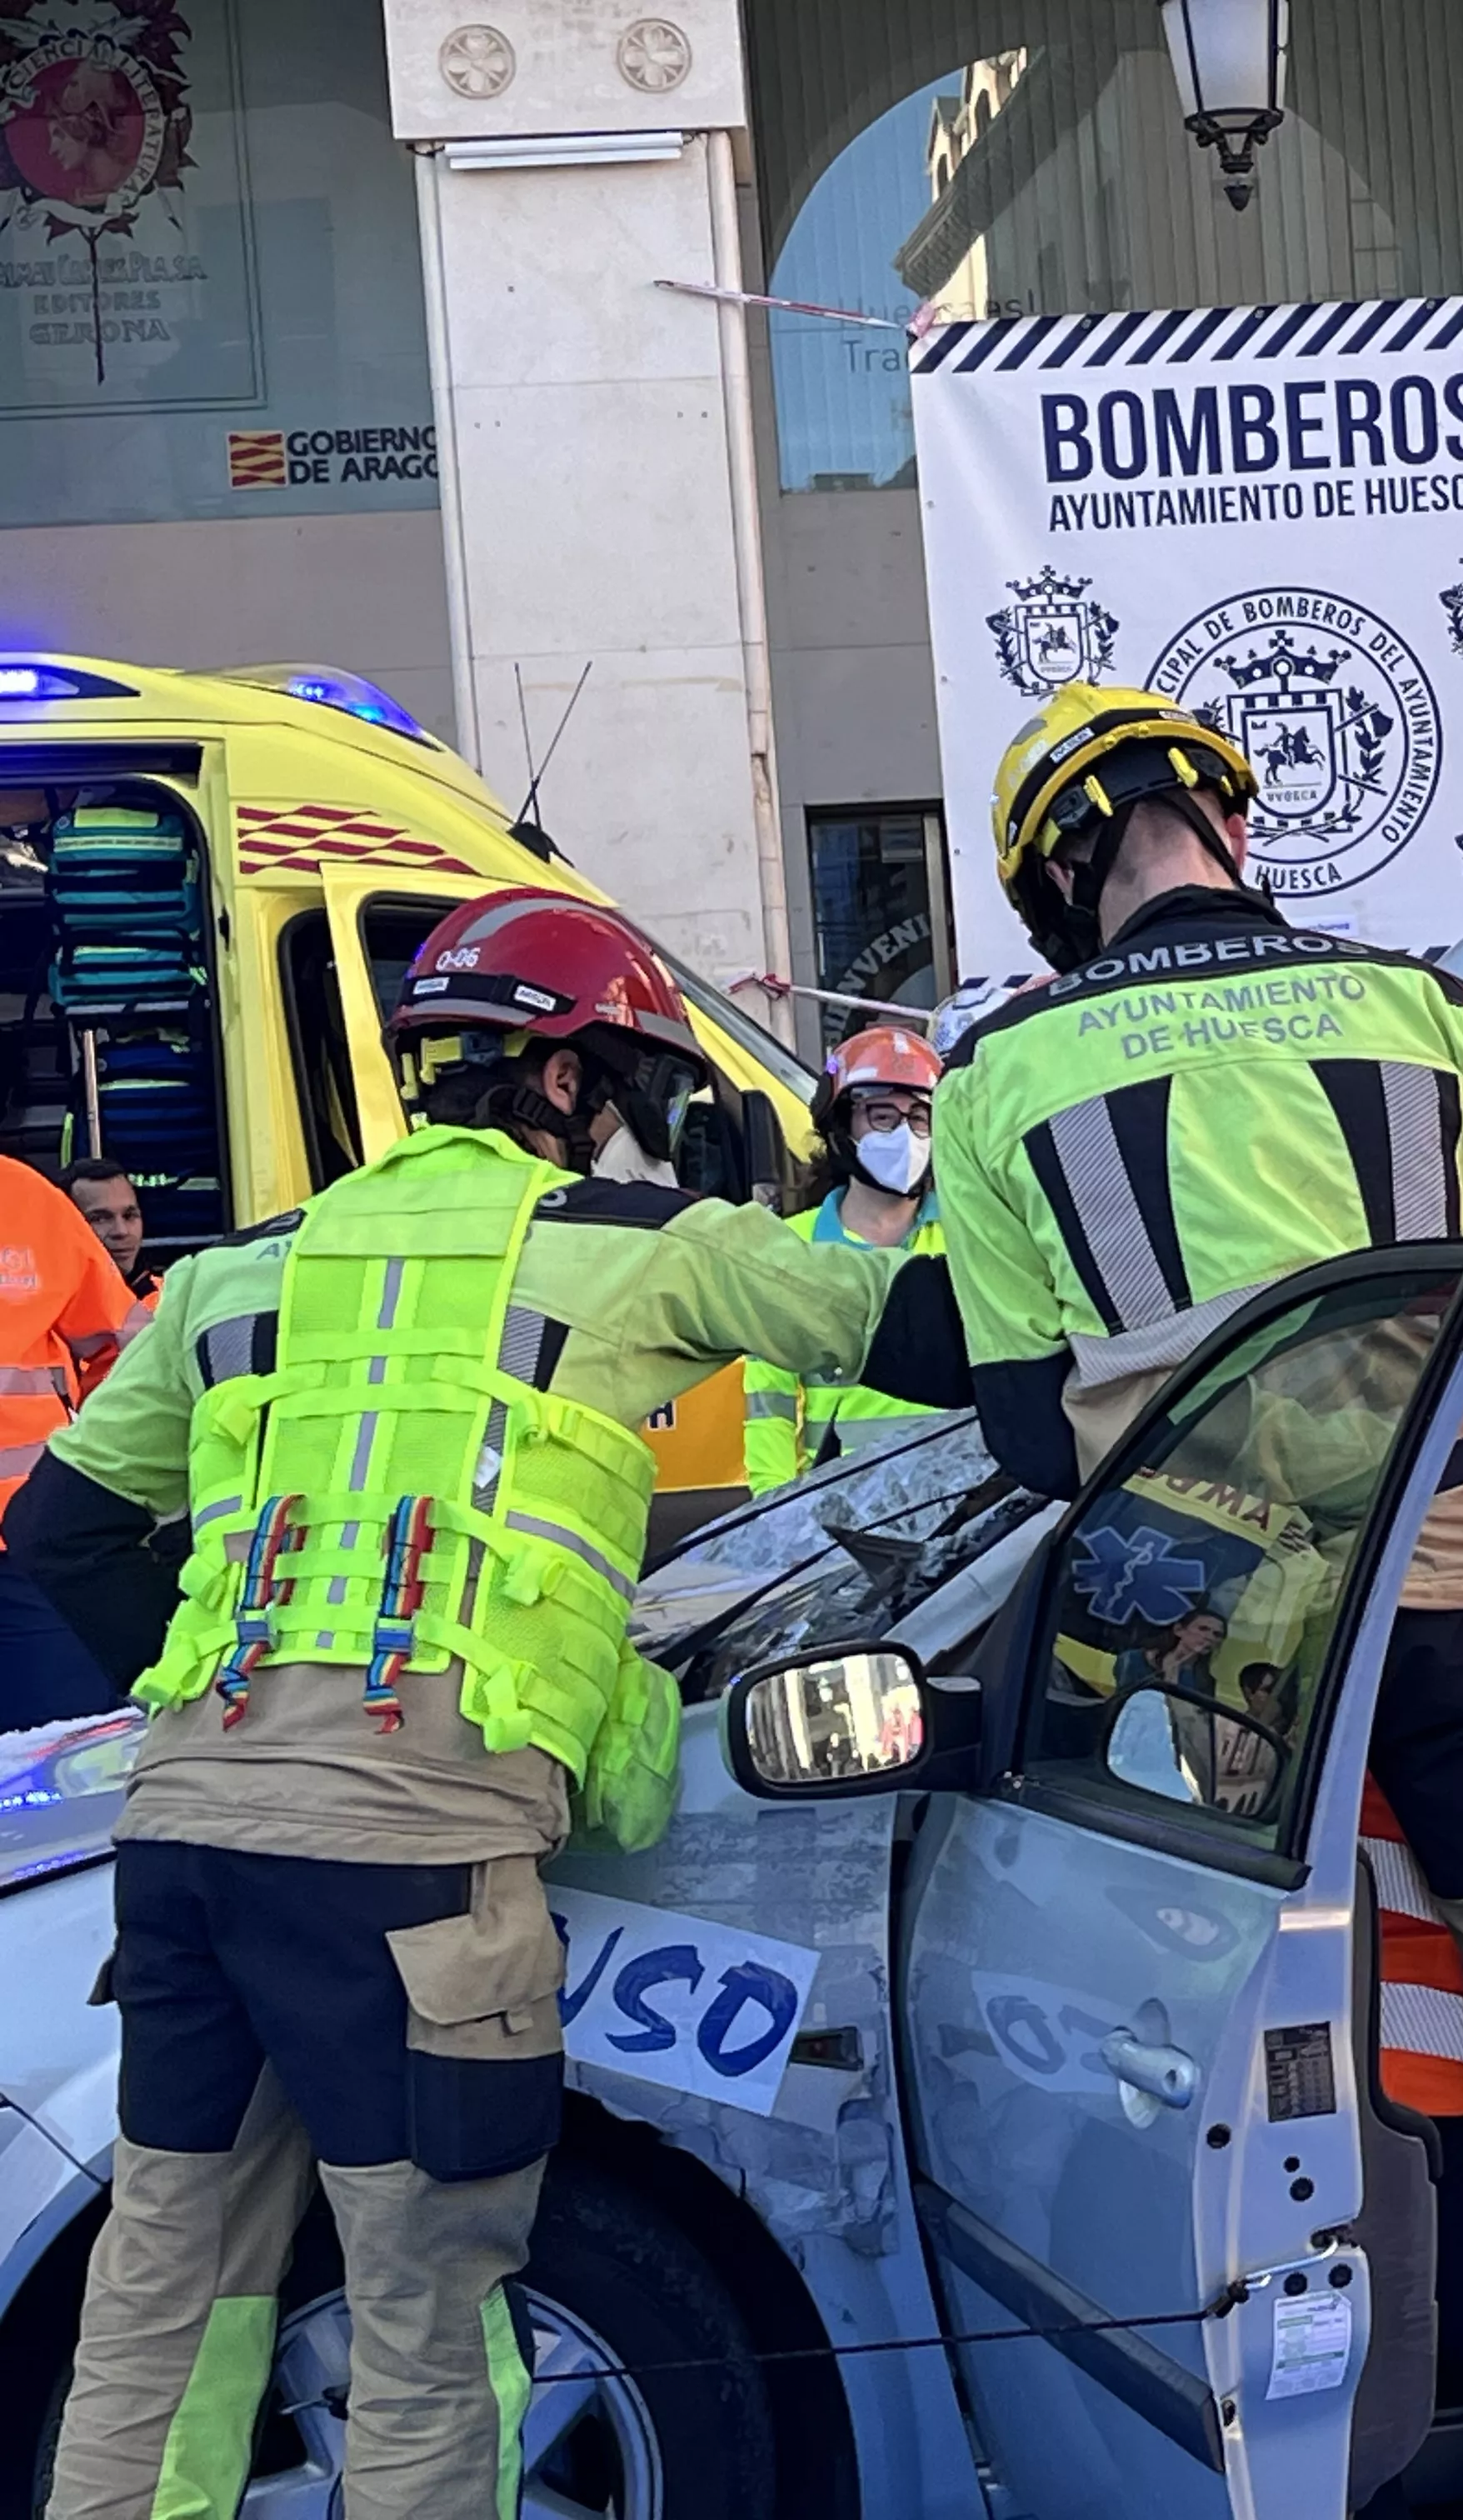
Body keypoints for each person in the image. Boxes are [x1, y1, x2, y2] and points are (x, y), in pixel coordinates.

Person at [2, 888, 961, 2520]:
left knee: (167, 2299)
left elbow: (62, 1533)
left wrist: (236, 1690)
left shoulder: (246, 1271)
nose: (649, 1131)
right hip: (412, 1869)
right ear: (575, 1079)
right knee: (426, 2319)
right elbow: (930, 1334)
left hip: (188, 1844)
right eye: (644, 1095)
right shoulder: (634, 1249)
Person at [939, 684, 1463, 2519]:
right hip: (1450, 1586)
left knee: (1188, 2080)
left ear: (1054, 880)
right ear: (1235, 824)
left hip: (1194, 1638)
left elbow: (1035, 1435)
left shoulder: (1002, 1078)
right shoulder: (1431, 1019)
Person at [744, 1024, 949, 1493]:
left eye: (920, 1116)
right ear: (840, 1126)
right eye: (882, 1115)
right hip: (837, 1509)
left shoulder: (968, 1238)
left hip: (958, 1500)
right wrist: (772, 1516)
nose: (906, 1134)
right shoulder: (787, 1248)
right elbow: (768, 1405)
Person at [0, 1152, 149, 1730]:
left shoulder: (27, 1199)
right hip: (33, 1538)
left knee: (63, 1751)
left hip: (25, 1546)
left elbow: (131, 1354)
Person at [61, 1158, 157, 1302]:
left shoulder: (170, 1300)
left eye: (129, 1216)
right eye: (100, 1219)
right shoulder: (45, 1307)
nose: (121, 1231)